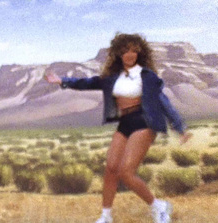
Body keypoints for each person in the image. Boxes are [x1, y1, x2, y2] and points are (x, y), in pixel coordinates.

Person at [44, 33, 192, 223]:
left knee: (126, 172)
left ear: (140, 53)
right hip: (125, 122)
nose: (130, 54)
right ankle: (106, 216)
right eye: (125, 50)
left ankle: (159, 207)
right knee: (112, 169)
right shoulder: (113, 77)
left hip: (143, 121)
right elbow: (88, 83)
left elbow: (163, 102)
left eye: (134, 50)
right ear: (118, 53)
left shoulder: (147, 76)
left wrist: (179, 127)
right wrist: (62, 81)